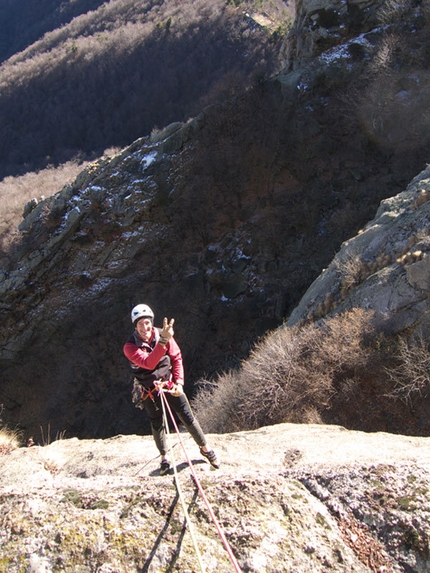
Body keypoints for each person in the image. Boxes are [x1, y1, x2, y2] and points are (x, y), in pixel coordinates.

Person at [123, 304, 219, 475]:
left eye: (147, 323)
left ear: (151, 322)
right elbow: (148, 363)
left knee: (187, 415)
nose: (144, 328)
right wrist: (163, 341)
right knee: (157, 421)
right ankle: (164, 457)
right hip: (148, 389)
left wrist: (179, 383)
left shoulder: (163, 334)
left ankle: (205, 447)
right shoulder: (130, 347)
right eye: (140, 324)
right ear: (135, 326)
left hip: (168, 383)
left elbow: (176, 357)